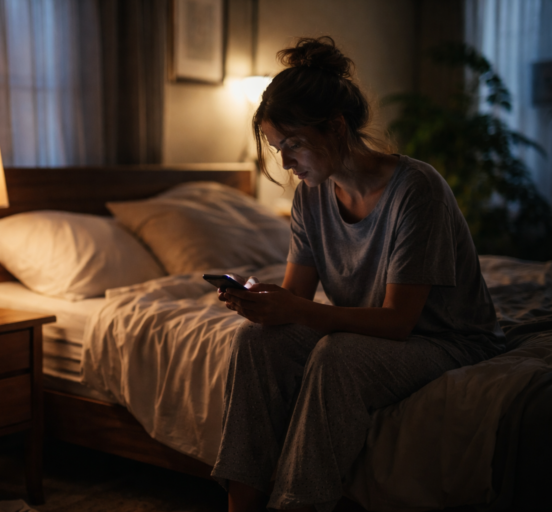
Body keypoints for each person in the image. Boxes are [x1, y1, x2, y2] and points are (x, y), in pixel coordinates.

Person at [210, 36, 506, 512]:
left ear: (335, 128)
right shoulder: (310, 196)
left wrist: (296, 309)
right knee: (255, 343)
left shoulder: (417, 189)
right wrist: (263, 306)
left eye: (294, 144)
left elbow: (398, 322)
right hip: (376, 332)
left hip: (445, 339)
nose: (285, 162)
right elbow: (296, 299)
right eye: (275, 147)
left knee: (337, 356)